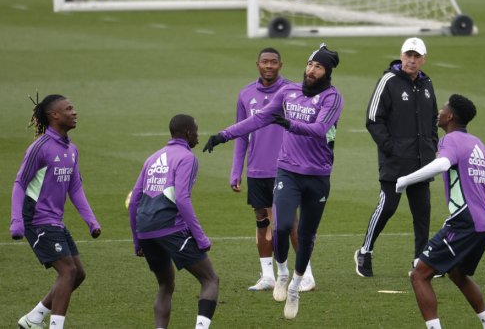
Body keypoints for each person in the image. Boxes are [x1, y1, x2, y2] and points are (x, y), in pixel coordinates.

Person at [203, 43, 342, 320]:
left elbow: (319, 130)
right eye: (309, 64)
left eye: (318, 66)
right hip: (287, 170)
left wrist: (288, 124)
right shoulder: (287, 92)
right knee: (282, 226)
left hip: (317, 175)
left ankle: (295, 288)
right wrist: (223, 135)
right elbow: (260, 119)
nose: (311, 70)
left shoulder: (332, 97)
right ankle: (280, 274)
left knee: (306, 236)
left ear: (326, 72)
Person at [397, 94, 485, 329]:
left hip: (465, 220)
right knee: (457, 274)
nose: (439, 113)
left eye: (442, 109)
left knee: (419, 275)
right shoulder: (478, 143)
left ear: (450, 116)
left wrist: (405, 180)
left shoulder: (450, 140)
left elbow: (442, 164)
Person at [10, 94, 102, 329]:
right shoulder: (39, 148)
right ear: (54, 115)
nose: (75, 112)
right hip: (36, 219)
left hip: (54, 220)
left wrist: (91, 220)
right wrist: (16, 221)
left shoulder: (72, 149)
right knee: (68, 271)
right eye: (69, 108)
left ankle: (33, 318)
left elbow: (76, 187)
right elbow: (20, 184)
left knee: (78, 273)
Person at [229, 47, 315, 292]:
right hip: (256, 171)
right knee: (261, 222)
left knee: (288, 224)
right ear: (257, 64)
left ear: (280, 65)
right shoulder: (245, 94)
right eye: (264, 62)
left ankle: (306, 274)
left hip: (286, 169)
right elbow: (241, 135)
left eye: (273, 62)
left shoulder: (292, 92)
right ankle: (267, 275)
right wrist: (236, 170)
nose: (269, 66)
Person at [355, 37, 439, 277]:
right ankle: (365, 251)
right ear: (402, 56)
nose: (412, 60)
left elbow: (433, 118)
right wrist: (390, 148)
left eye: (416, 56)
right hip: (395, 161)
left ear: (423, 59)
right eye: (408, 55)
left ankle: (420, 261)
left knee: (422, 213)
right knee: (387, 207)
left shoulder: (427, 83)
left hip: (422, 162)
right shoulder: (388, 81)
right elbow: (373, 119)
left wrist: (431, 145)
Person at [128, 114, 220, 329]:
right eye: (196, 131)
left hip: (146, 231)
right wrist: (201, 238)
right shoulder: (187, 158)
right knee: (210, 280)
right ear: (188, 133)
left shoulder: (152, 158)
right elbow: (182, 198)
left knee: (165, 285)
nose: (197, 135)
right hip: (170, 227)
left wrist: (137, 240)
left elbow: (134, 201)